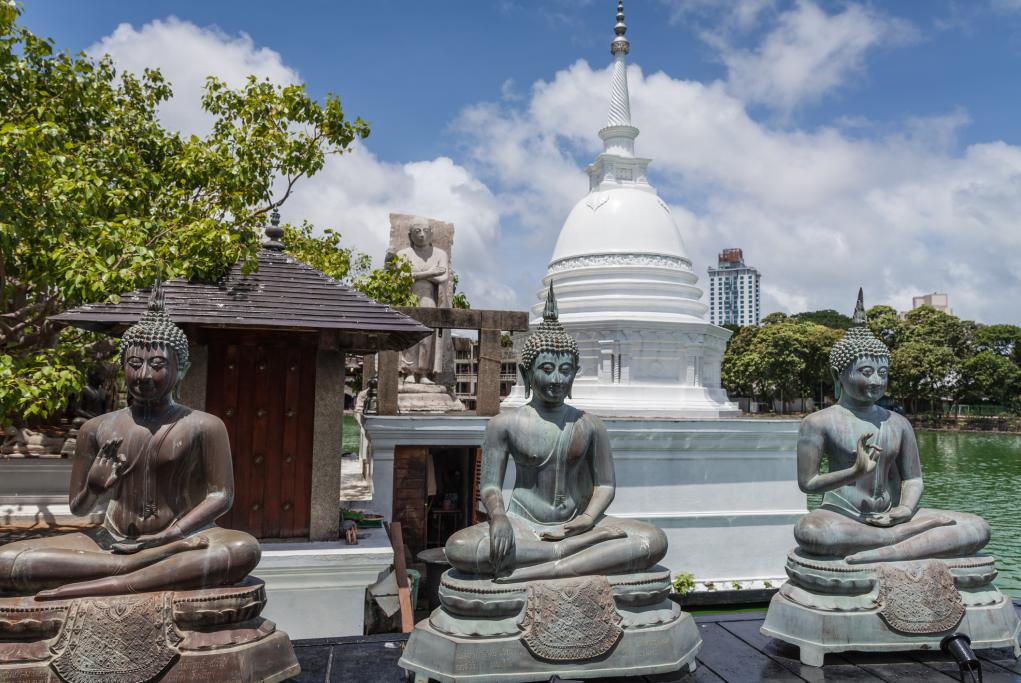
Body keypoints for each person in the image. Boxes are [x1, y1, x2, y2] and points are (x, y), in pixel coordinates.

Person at [0, 283, 261, 599]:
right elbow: (79, 508)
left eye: (158, 365)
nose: (145, 375)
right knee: (6, 561)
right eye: (135, 365)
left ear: (182, 370)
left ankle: (124, 573)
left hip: (188, 539)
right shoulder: (96, 428)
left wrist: (173, 533)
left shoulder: (204, 425)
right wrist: (95, 489)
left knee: (243, 549)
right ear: (123, 366)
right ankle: (132, 569)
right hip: (112, 541)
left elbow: (221, 495)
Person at [444, 285, 666, 581]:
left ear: (575, 373)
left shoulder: (589, 424)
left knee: (652, 540)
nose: (557, 379)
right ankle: (564, 555)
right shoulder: (504, 423)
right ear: (526, 374)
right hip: (524, 525)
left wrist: (587, 520)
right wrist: (498, 518)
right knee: (459, 547)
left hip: (581, 525)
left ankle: (554, 561)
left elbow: (606, 485)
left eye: (565, 370)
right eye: (547, 368)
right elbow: (490, 487)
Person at [793, 290, 989, 564]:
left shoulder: (898, 422)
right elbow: (808, 484)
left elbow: (914, 479)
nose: (876, 381)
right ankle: (904, 541)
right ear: (838, 375)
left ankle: (888, 543)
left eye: (882, 373)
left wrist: (905, 509)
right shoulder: (818, 422)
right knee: (810, 532)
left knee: (977, 527)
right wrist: (855, 471)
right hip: (842, 516)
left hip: (894, 514)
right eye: (865, 372)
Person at [395, 217, 449, 383]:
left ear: (431, 233)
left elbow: (444, 277)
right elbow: (402, 277)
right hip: (409, 298)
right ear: (410, 234)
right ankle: (409, 371)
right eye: (417, 231)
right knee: (410, 335)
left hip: (429, 298)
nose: (421, 235)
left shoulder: (440, 254)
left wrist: (418, 275)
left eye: (425, 231)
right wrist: (431, 273)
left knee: (426, 337)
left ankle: (423, 372)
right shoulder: (402, 254)